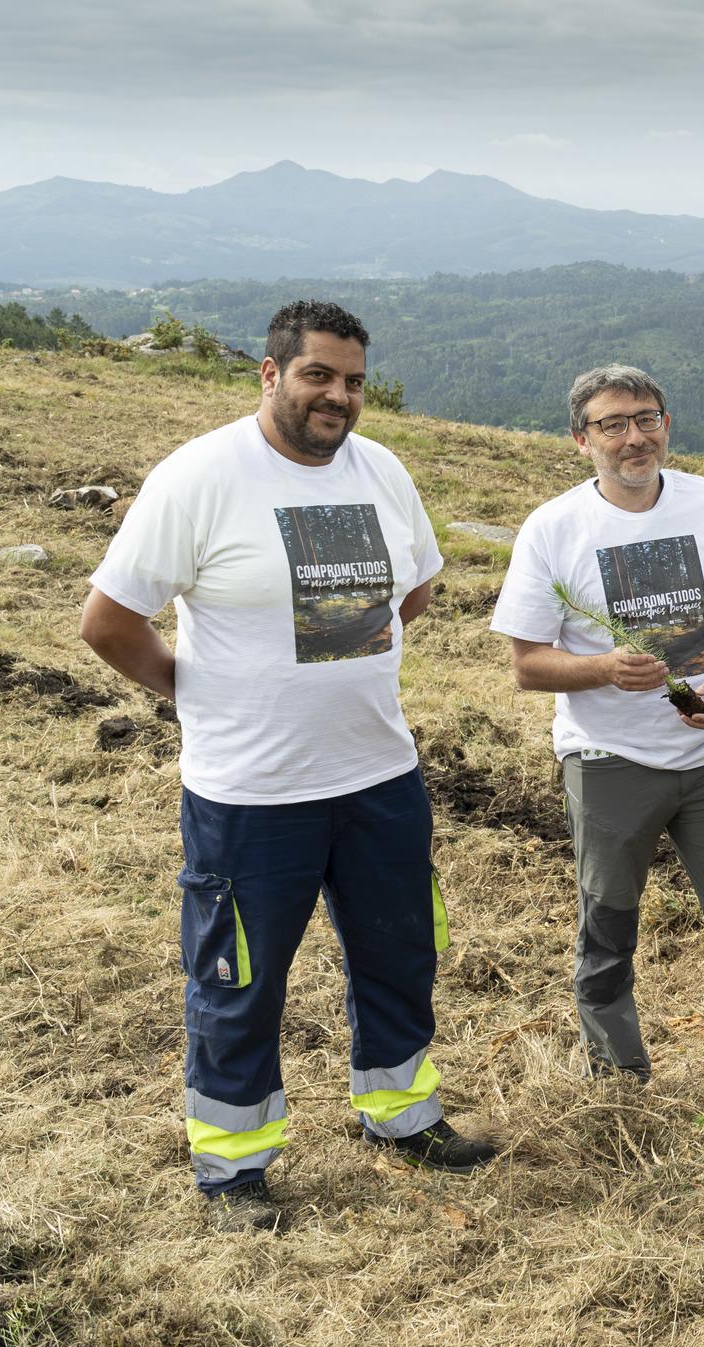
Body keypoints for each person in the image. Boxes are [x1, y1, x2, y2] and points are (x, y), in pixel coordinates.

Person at [80, 300, 492, 1234]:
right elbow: (108, 620)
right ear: (271, 374)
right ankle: (234, 1164)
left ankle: (403, 1116)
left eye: (352, 380)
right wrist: (198, 694)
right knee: (239, 978)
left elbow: (417, 585)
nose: (337, 396)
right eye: (318, 375)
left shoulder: (381, 468)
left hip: (379, 773)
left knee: (400, 952)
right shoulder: (201, 475)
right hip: (251, 793)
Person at [490, 364, 704, 1116]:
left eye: (646, 417)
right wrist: (601, 668)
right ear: (580, 438)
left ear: (666, 423)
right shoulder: (554, 528)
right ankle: (619, 1082)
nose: (634, 436)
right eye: (613, 424)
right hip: (608, 765)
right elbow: (527, 663)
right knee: (609, 926)